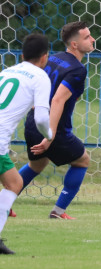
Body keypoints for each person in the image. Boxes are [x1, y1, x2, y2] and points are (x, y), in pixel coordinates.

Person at [19, 21, 96, 220]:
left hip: (32, 122)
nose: (92, 39)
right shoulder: (77, 69)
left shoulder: (52, 59)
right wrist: (50, 135)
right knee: (82, 160)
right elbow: (58, 99)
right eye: (87, 37)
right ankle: (58, 211)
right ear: (74, 45)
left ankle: (5, 202)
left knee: (36, 166)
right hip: (53, 129)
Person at [0, 33, 55, 254]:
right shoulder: (40, 77)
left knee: (14, 182)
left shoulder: (6, 72)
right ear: (45, 57)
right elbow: (41, 118)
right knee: (13, 184)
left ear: (22, 55)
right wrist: (49, 136)